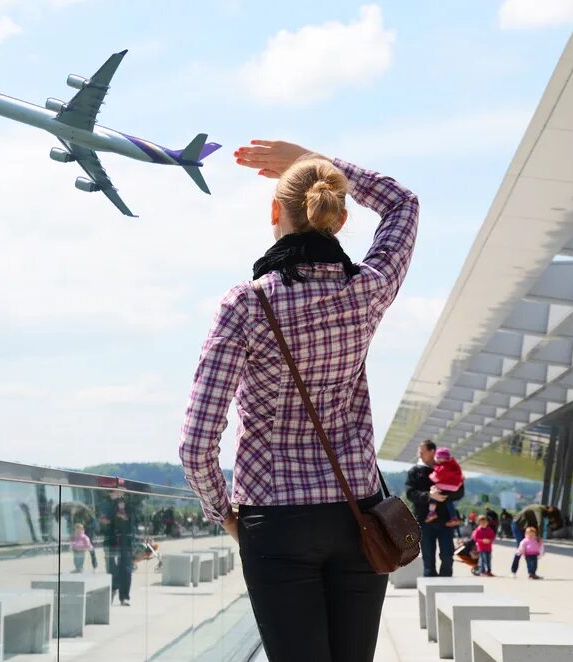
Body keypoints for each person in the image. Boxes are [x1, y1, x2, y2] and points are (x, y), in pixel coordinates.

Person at [180, 140, 420, 662]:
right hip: (358, 513)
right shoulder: (368, 289)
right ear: (336, 216)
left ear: (275, 211)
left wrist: (222, 512)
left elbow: (197, 441)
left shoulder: (246, 303)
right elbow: (403, 204)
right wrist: (317, 158)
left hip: (275, 517)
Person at [406, 440, 465, 578]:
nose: (419, 454)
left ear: (432, 451)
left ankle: (446, 586)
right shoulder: (415, 471)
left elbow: (460, 492)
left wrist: (443, 496)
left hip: (446, 521)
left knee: (447, 555)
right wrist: (429, 495)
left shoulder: (450, 468)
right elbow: (410, 493)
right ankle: (430, 592)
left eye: (422, 452)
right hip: (424, 520)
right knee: (428, 558)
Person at [426, 447, 464, 526]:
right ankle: (454, 517)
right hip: (455, 486)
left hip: (446, 485)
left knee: (434, 493)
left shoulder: (443, 466)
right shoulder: (454, 464)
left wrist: (431, 477)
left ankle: (432, 512)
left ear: (440, 458)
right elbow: (460, 475)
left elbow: (436, 476)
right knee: (448, 500)